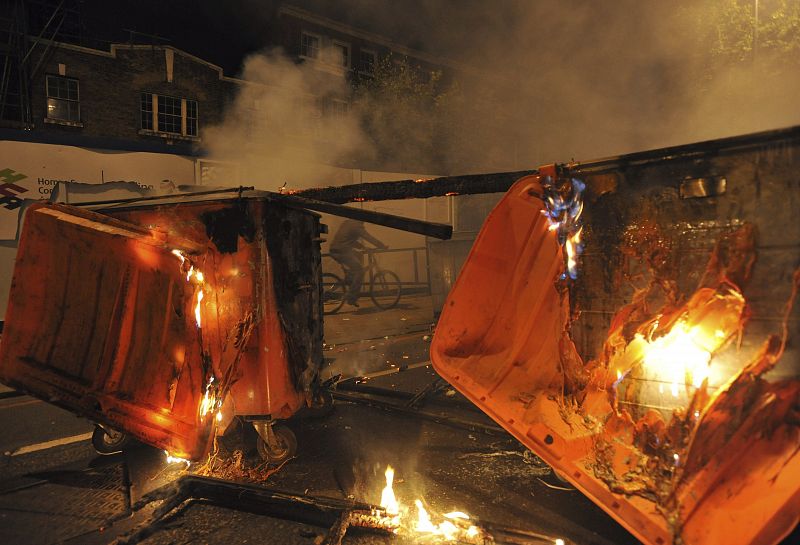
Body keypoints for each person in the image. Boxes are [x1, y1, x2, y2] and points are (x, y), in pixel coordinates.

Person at [329, 219, 387, 307]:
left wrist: (363, 247)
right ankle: (351, 297)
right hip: (342, 251)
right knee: (360, 271)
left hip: (335, 250)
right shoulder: (357, 225)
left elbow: (348, 239)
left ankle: (331, 292)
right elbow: (368, 237)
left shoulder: (348, 223)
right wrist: (381, 246)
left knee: (351, 275)